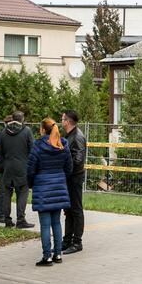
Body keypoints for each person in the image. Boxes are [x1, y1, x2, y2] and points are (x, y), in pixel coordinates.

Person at [27, 118, 73, 266]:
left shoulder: (38, 146)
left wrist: (31, 183)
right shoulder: (63, 145)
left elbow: (30, 169)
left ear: (42, 129)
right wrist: (60, 178)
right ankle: (58, 254)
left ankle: (47, 257)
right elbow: (69, 168)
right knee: (57, 223)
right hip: (59, 187)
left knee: (45, 225)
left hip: (42, 188)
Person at [0, 111, 35, 229]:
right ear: (23, 119)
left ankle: (7, 220)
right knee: (23, 192)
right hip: (22, 167)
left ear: (12, 119)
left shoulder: (2, 133)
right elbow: (33, 150)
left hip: (6, 167)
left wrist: (1, 162)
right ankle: (21, 219)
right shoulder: (27, 131)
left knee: (6, 194)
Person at [61, 109, 86, 254]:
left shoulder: (77, 136)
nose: (61, 122)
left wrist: (67, 171)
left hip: (74, 178)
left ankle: (77, 242)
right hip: (68, 178)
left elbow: (78, 160)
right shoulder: (69, 135)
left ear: (68, 121)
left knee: (76, 209)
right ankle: (67, 240)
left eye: (63, 119)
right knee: (68, 210)